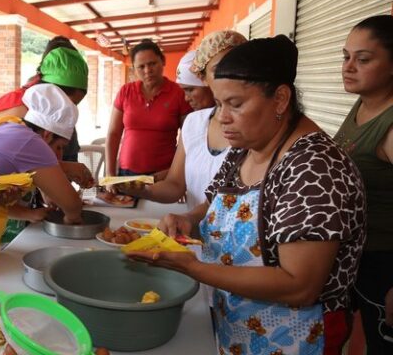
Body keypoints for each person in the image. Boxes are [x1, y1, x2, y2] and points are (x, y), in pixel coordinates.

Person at [128, 35, 366, 354]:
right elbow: (215, 202)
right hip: (238, 325)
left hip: (295, 336)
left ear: (280, 99)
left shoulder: (315, 169)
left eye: (236, 104)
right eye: (219, 104)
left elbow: (299, 286)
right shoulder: (247, 147)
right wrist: (188, 219)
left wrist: (193, 267)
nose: (222, 117)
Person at [0, 83, 85, 285]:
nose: (59, 155)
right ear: (47, 135)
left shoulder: (8, 125)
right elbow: (72, 204)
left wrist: (28, 214)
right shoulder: (32, 142)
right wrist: (72, 219)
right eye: (59, 147)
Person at [334, 14, 393, 354]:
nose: (349, 67)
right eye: (346, 56)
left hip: (386, 264)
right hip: (360, 259)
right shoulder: (364, 103)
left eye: (364, 59)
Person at [115, 49, 231, 209]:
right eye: (141, 66)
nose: (186, 98)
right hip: (195, 217)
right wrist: (142, 189)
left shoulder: (241, 130)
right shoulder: (194, 122)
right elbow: (176, 185)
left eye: (190, 89)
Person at [105, 39, 193, 183]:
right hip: (126, 173)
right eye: (141, 66)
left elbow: (189, 137)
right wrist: (109, 174)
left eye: (152, 64)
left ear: (163, 61)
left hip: (164, 175)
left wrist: (175, 171)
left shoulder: (178, 93)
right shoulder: (126, 92)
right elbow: (113, 134)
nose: (147, 71)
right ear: (134, 69)